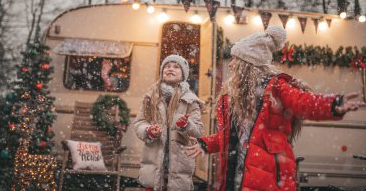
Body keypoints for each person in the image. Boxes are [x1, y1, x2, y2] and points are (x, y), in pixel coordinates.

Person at [185, 26, 366, 191]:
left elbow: (303, 102)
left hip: (269, 174)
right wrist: (205, 144)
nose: (231, 65)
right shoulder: (230, 96)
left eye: (235, 59)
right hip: (235, 178)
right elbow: (230, 137)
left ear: (247, 63)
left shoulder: (275, 87)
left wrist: (333, 104)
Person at [133, 54, 204, 191]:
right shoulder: (151, 97)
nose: (170, 69)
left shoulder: (190, 100)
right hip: (154, 158)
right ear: (162, 71)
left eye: (176, 67)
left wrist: (186, 125)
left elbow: (198, 130)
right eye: (167, 66)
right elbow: (139, 123)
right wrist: (148, 130)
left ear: (183, 74)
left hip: (179, 161)